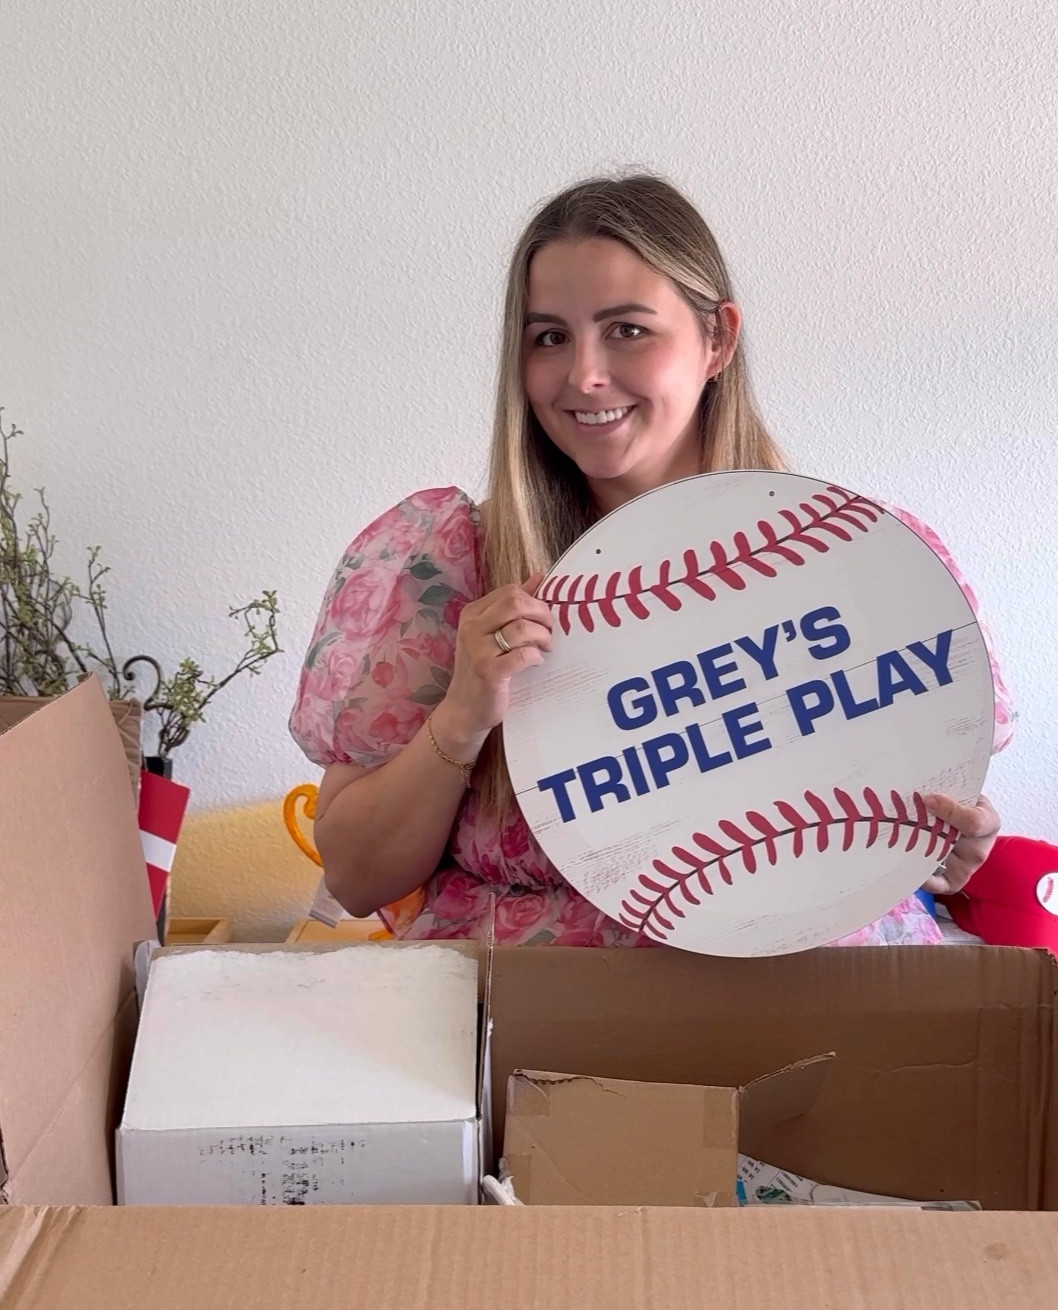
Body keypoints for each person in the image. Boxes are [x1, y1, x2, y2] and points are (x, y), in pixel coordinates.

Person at [290, 174, 1012, 946]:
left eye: (628, 330)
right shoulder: (451, 564)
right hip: (537, 1006)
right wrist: (464, 714)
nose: (584, 375)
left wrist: (938, 846)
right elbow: (357, 881)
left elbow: (920, 816)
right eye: (549, 337)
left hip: (816, 994)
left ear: (717, 340)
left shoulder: (863, 560)